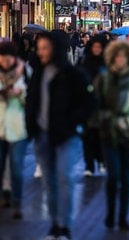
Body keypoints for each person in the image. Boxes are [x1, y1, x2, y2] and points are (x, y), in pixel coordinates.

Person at [25, 31, 97, 240]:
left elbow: (89, 102)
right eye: (39, 48)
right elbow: (32, 100)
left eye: (45, 48)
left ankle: (64, 226)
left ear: (55, 49)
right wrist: (32, 127)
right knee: (50, 182)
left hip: (66, 135)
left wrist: (75, 124)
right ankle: (55, 224)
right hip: (43, 135)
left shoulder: (71, 74)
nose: (41, 52)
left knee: (65, 177)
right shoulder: (37, 72)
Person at [96, 40, 129, 231]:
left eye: (124, 57)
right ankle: (111, 212)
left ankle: (123, 216)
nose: (120, 60)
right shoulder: (104, 79)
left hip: (128, 132)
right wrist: (96, 124)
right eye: (117, 57)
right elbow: (96, 104)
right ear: (112, 58)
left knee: (126, 177)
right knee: (113, 175)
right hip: (109, 131)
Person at [0, 41, 28, 219]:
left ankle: (17, 201)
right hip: (0, 127)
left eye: (8, 58)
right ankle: (4, 196)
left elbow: (32, 98)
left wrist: (21, 94)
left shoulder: (25, 72)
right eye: (2, 58)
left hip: (18, 127)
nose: (5, 62)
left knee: (17, 167)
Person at [78, 35, 107, 176]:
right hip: (86, 106)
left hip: (103, 106)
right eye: (94, 47)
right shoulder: (84, 63)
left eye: (99, 47)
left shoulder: (106, 65)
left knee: (100, 136)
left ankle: (101, 160)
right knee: (87, 136)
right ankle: (89, 165)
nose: (96, 50)